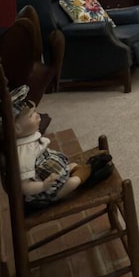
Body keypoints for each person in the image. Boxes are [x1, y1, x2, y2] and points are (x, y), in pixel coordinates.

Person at [11, 85, 113, 213]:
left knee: (73, 165)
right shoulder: (23, 154)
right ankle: (84, 175)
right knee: (72, 183)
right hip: (45, 194)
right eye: (32, 115)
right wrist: (43, 186)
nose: (38, 116)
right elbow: (24, 186)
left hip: (53, 177)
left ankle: (81, 170)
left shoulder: (27, 139)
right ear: (17, 129)